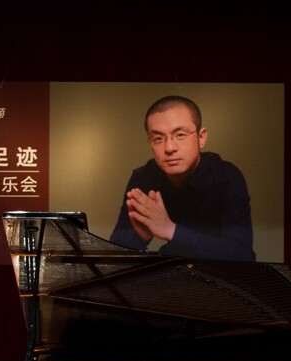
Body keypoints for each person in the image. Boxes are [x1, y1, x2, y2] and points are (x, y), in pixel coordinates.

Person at [109, 95, 255, 261]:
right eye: (158, 138)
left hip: (219, 274)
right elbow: (113, 256)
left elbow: (242, 254)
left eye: (180, 135)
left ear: (201, 137)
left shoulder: (226, 177)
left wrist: (170, 230)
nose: (169, 147)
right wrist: (139, 237)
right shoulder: (144, 178)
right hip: (171, 270)